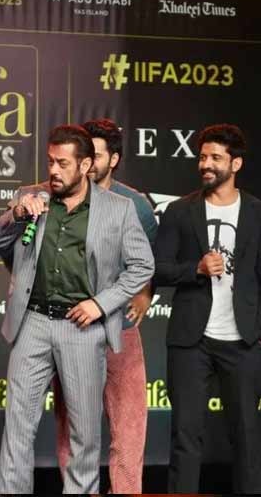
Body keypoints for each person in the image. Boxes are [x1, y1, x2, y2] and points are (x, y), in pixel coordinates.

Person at [0, 124, 154, 494]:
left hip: (83, 328)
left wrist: (100, 304)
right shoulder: (30, 197)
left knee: (84, 435)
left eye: (63, 164)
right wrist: (17, 214)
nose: (54, 171)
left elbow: (143, 266)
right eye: (50, 162)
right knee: (17, 429)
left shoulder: (119, 209)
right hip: (32, 323)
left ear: (85, 165)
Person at [155, 123, 261, 494]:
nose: (205, 164)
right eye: (202, 157)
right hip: (190, 341)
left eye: (215, 157)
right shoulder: (180, 211)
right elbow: (158, 269)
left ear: (235, 164)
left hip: (242, 340)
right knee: (185, 436)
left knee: (246, 438)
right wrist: (194, 269)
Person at [52, 118, 157, 494]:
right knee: (73, 428)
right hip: (71, 329)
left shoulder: (136, 205)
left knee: (129, 427)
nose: (88, 163)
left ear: (113, 159)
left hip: (120, 330)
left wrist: (145, 292)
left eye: (95, 155)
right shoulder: (58, 197)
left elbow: (149, 258)